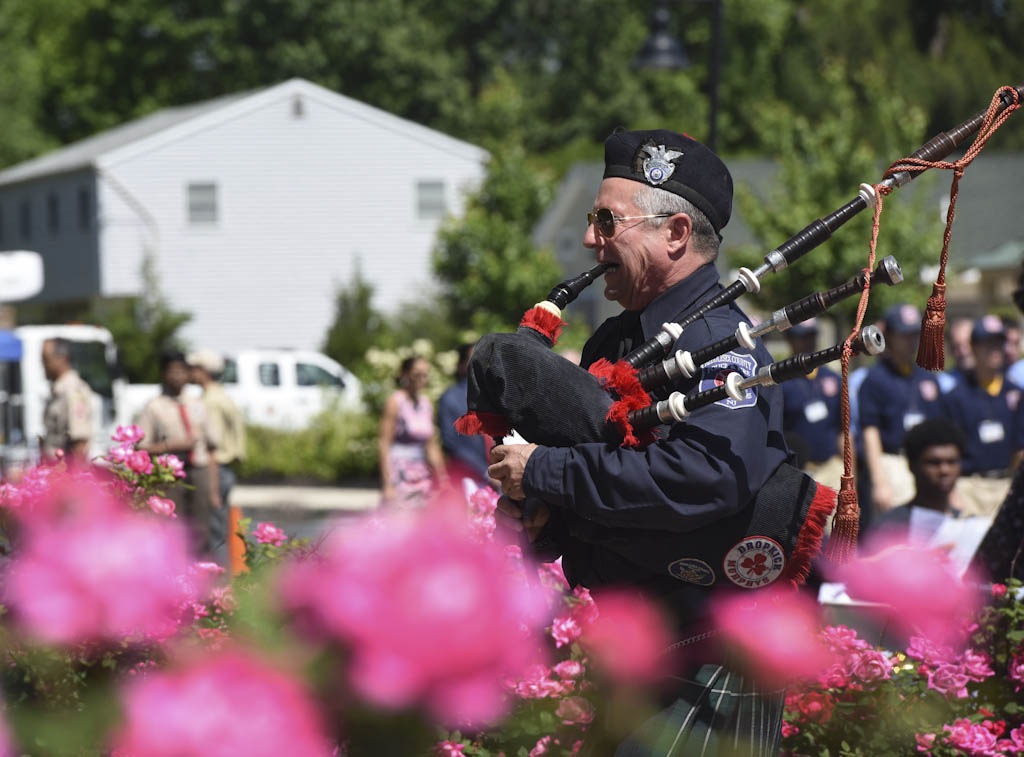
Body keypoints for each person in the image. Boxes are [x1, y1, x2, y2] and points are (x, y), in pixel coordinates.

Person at [487, 129, 792, 756]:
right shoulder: (614, 343)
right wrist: (540, 514)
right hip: (644, 644)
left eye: (606, 220)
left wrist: (546, 471)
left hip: (709, 647)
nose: (588, 240)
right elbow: (608, 482)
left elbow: (704, 476)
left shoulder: (719, 344)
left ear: (675, 233)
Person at [856, 303, 943, 515]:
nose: (911, 341)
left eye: (915, 334)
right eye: (903, 335)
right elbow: (870, 431)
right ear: (889, 336)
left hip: (926, 464)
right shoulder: (875, 380)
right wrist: (879, 481)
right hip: (892, 463)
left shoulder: (927, 378)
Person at [938, 315, 1024, 516]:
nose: (995, 350)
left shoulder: (1016, 394)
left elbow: (1020, 449)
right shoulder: (955, 397)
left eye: (998, 343)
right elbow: (950, 450)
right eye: (987, 344)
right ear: (974, 348)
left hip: (1006, 485)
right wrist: (952, 493)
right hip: (969, 487)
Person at [137, 350, 219, 554]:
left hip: (198, 470)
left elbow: (211, 448)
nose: (177, 376)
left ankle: (202, 576)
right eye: (172, 371)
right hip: (169, 475)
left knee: (201, 528)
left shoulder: (197, 404)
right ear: (164, 374)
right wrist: (170, 446)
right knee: (172, 528)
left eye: (182, 372)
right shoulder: (153, 407)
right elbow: (140, 447)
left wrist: (214, 488)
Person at [188, 349, 246, 568]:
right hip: (226, 468)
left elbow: (212, 444)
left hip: (216, 469)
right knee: (217, 526)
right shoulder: (220, 395)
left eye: (194, 368)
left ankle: (219, 588)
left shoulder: (210, 401)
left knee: (213, 530)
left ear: (203, 371)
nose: (190, 372)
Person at [869, 419, 966, 544]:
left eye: (952, 462)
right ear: (912, 466)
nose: (944, 470)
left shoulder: (966, 524)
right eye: (934, 463)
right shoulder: (889, 526)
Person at [779, 318, 843, 489]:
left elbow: (843, 430)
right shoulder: (780, 382)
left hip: (832, 467)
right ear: (790, 339)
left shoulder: (832, 378)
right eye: (803, 337)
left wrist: (849, 475)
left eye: (812, 335)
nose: (810, 342)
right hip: (797, 471)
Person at [379, 356, 446, 506]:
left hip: (422, 473)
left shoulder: (426, 403)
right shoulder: (395, 401)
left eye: (425, 374)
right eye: (417, 374)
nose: (422, 378)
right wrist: (388, 484)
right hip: (400, 473)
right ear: (405, 374)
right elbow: (384, 443)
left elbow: (431, 445)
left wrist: (443, 478)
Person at [437, 343, 490, 484]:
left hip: (499, 479)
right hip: (469, 479)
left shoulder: (494, 395)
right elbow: (451, 442)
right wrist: (485, 471)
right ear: (462, 365)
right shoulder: (450, 398)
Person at [40, 337, 95, 464]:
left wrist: (72, 480)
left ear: (62, 358)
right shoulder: (59, 390)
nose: (42, 364)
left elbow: (80, 443)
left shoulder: (74, 390)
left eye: (46, 359)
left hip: (65, 474)